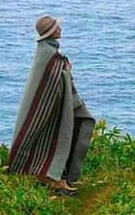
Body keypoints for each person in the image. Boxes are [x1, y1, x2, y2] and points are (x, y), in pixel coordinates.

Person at [6, 15, 96, 195]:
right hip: (52, 108)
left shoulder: (49, 52)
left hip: (54, 105)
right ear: (51, 32)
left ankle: (57, 177)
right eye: (57, 27)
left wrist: (64, 70)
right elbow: (50, 81)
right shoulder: (48, 54)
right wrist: (66, 71)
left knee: (66, 134)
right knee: (59, 139)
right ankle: (56, 179)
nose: (60, 29)